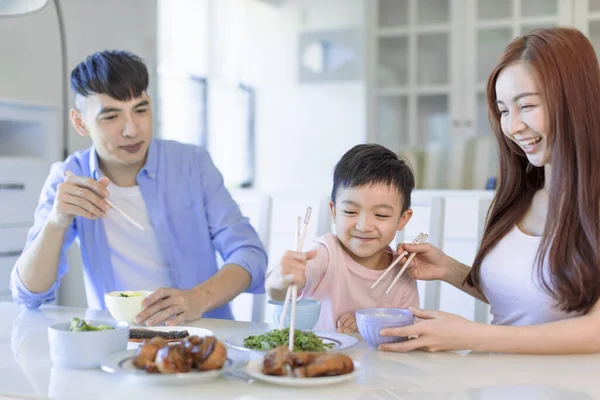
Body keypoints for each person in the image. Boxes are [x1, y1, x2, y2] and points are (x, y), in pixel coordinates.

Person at [380, 27, 600, 354]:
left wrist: (471, 336)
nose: (512, 127)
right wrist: (450, 270)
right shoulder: (521, 195)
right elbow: (529, 301)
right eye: (504, 110)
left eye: (526, 106)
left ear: (574, 99)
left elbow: (593, 331)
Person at [10, 50, 268, 325]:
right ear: (80, 122)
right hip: (117, 341)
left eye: (141, 110)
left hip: (200, 334)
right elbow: (29, 295)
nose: (132, 130)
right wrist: (56, 222)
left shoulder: (192, 165)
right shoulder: (70, 177)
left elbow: (250, 255)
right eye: (111, 117)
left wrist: (198, 298)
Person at [266, 144, 419, 332]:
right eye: (350, 211)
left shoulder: (402, 272)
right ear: (334, 211)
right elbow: (279, 292)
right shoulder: (325, 253)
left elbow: (408, 334)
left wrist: (369, 329)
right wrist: (279, 279)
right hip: (315, 358)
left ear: (402, 219)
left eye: (381, 215)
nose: (363, 226)